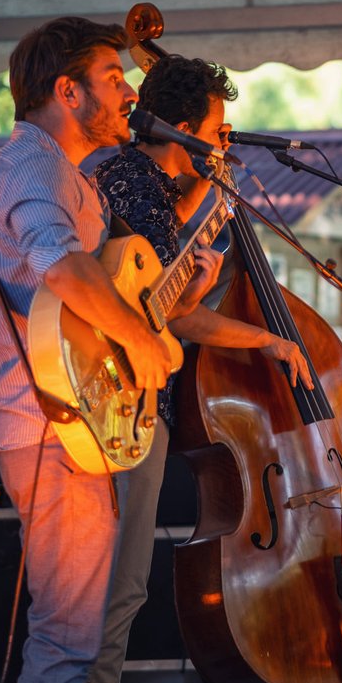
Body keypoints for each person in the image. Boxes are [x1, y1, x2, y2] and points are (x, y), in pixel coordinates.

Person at [0, 17, 220, 683]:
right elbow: (60, 264)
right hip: (49, 428)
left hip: (74, 424)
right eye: (114, 79)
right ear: (67, 91)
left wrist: (176, 299)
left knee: (78, 636)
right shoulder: (33, 163)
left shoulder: (69, 176)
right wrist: (141, 345)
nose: (128, 92)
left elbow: (97, 295)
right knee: (67, 641)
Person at [92, 54, 310, 425]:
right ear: (182, 130)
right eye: (214, 132)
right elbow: (172, 317)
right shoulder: (144, 197)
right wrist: (267, 339)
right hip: (133, 403)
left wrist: (211, 165)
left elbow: (170, 222)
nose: (220, 140)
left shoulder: (128, 174)